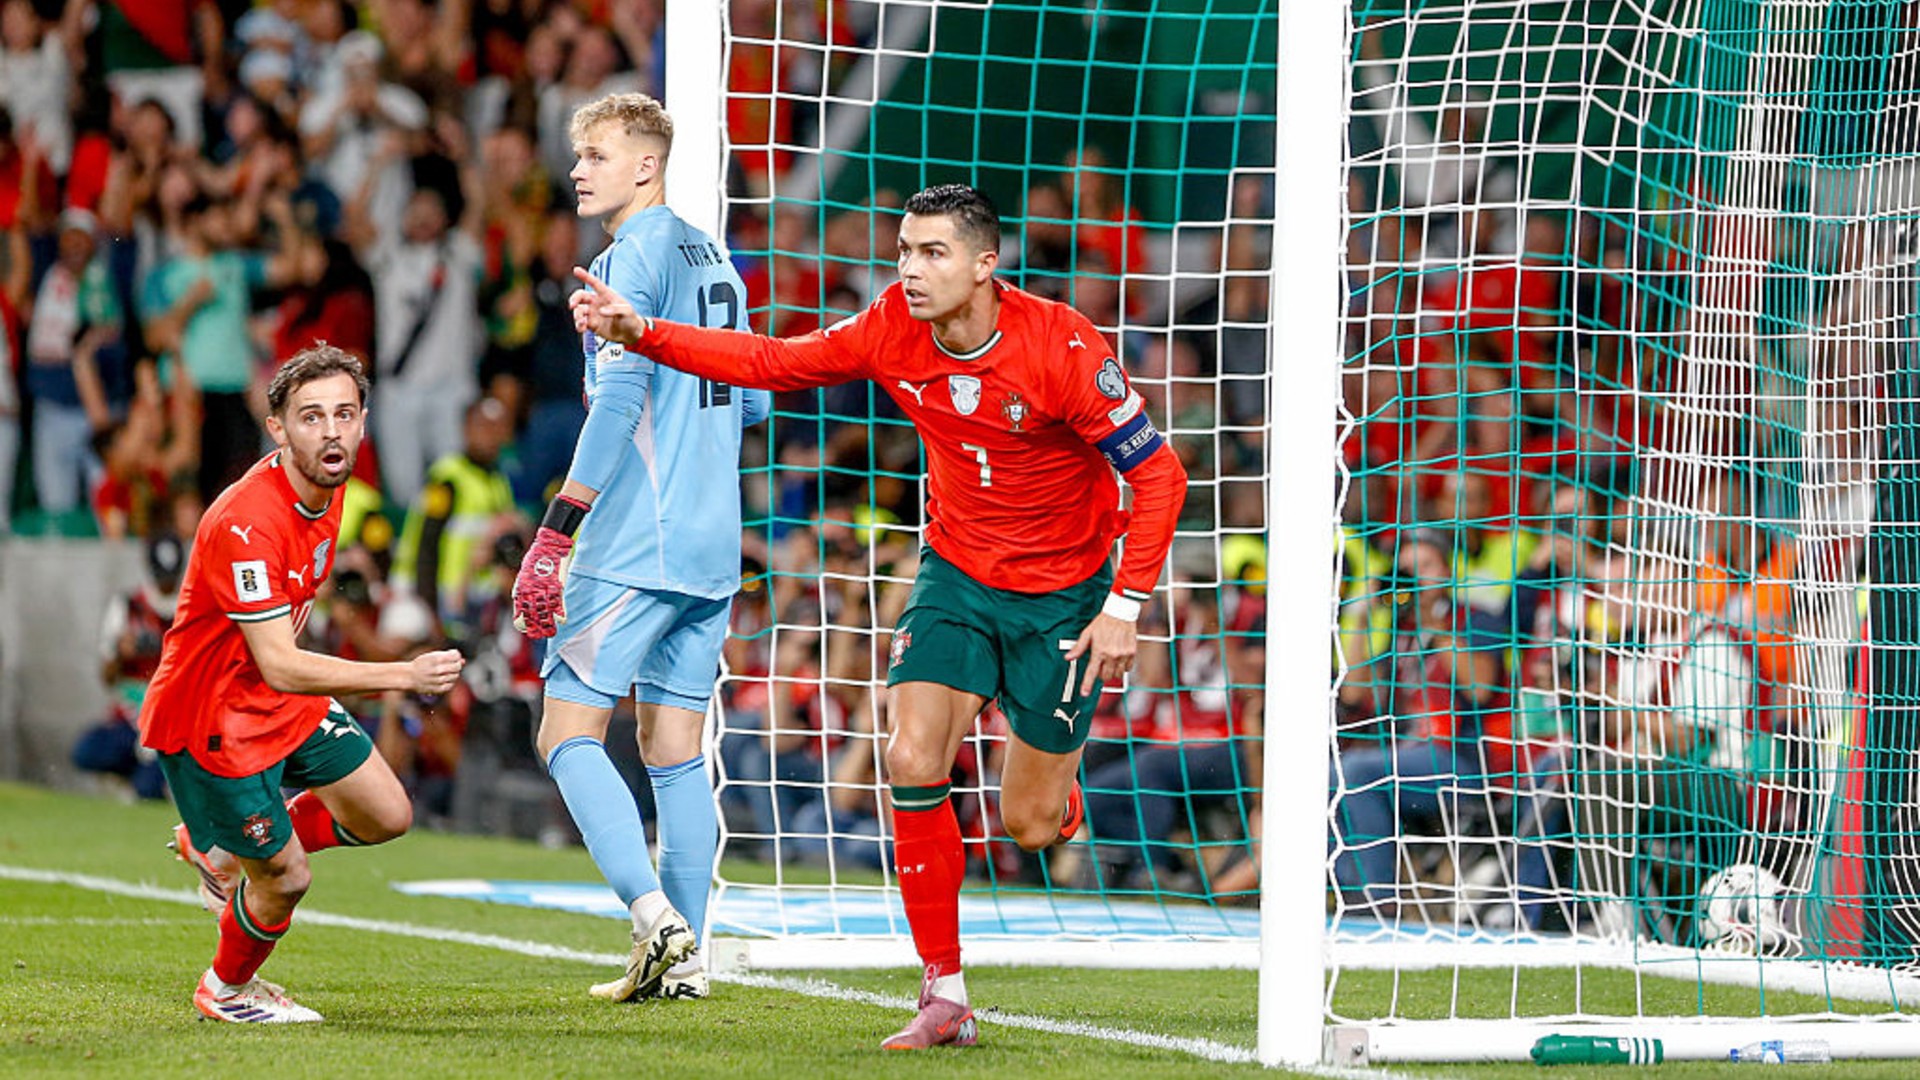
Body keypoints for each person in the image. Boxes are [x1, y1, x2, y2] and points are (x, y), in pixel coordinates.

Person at [568, 182, 1189, 1048]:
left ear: (985, 264)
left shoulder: (1064, 347)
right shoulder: (893, 322)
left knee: (1032, 826)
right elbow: (772, 363)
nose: (910, 269)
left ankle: (1057, 788)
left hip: (1064, 594)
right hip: (956, 577)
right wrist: (644, 333)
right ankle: (944, 991)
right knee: (909, 753)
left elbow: (1159, 476)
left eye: (933, 253)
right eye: (904, 250)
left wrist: (1126, 607)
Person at [509, 92, 769, 1005]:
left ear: (646, 165)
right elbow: (756, 401)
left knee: (567, 728)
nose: (578, 168)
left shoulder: (631, 257)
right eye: (577, 153)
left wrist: (557, 529)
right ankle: (686, 962)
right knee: (672, 749)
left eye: (595, 153)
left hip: (635, 540)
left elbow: (620, 406)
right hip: (712, 541)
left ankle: (653, 917)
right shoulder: (717, 258)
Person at [138, 344, 464, 1023]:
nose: (332, 431)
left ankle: (220, 846)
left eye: (345, 414)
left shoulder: (329, 483)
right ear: (278, 428)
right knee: (286, 876)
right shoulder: (248, 521)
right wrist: (402, 674)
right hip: (213, 717)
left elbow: (281, 667)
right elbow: (281, 662)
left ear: (364, 423)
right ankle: (224, 990)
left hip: (272, 696)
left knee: (385, 813)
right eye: (311, 418)